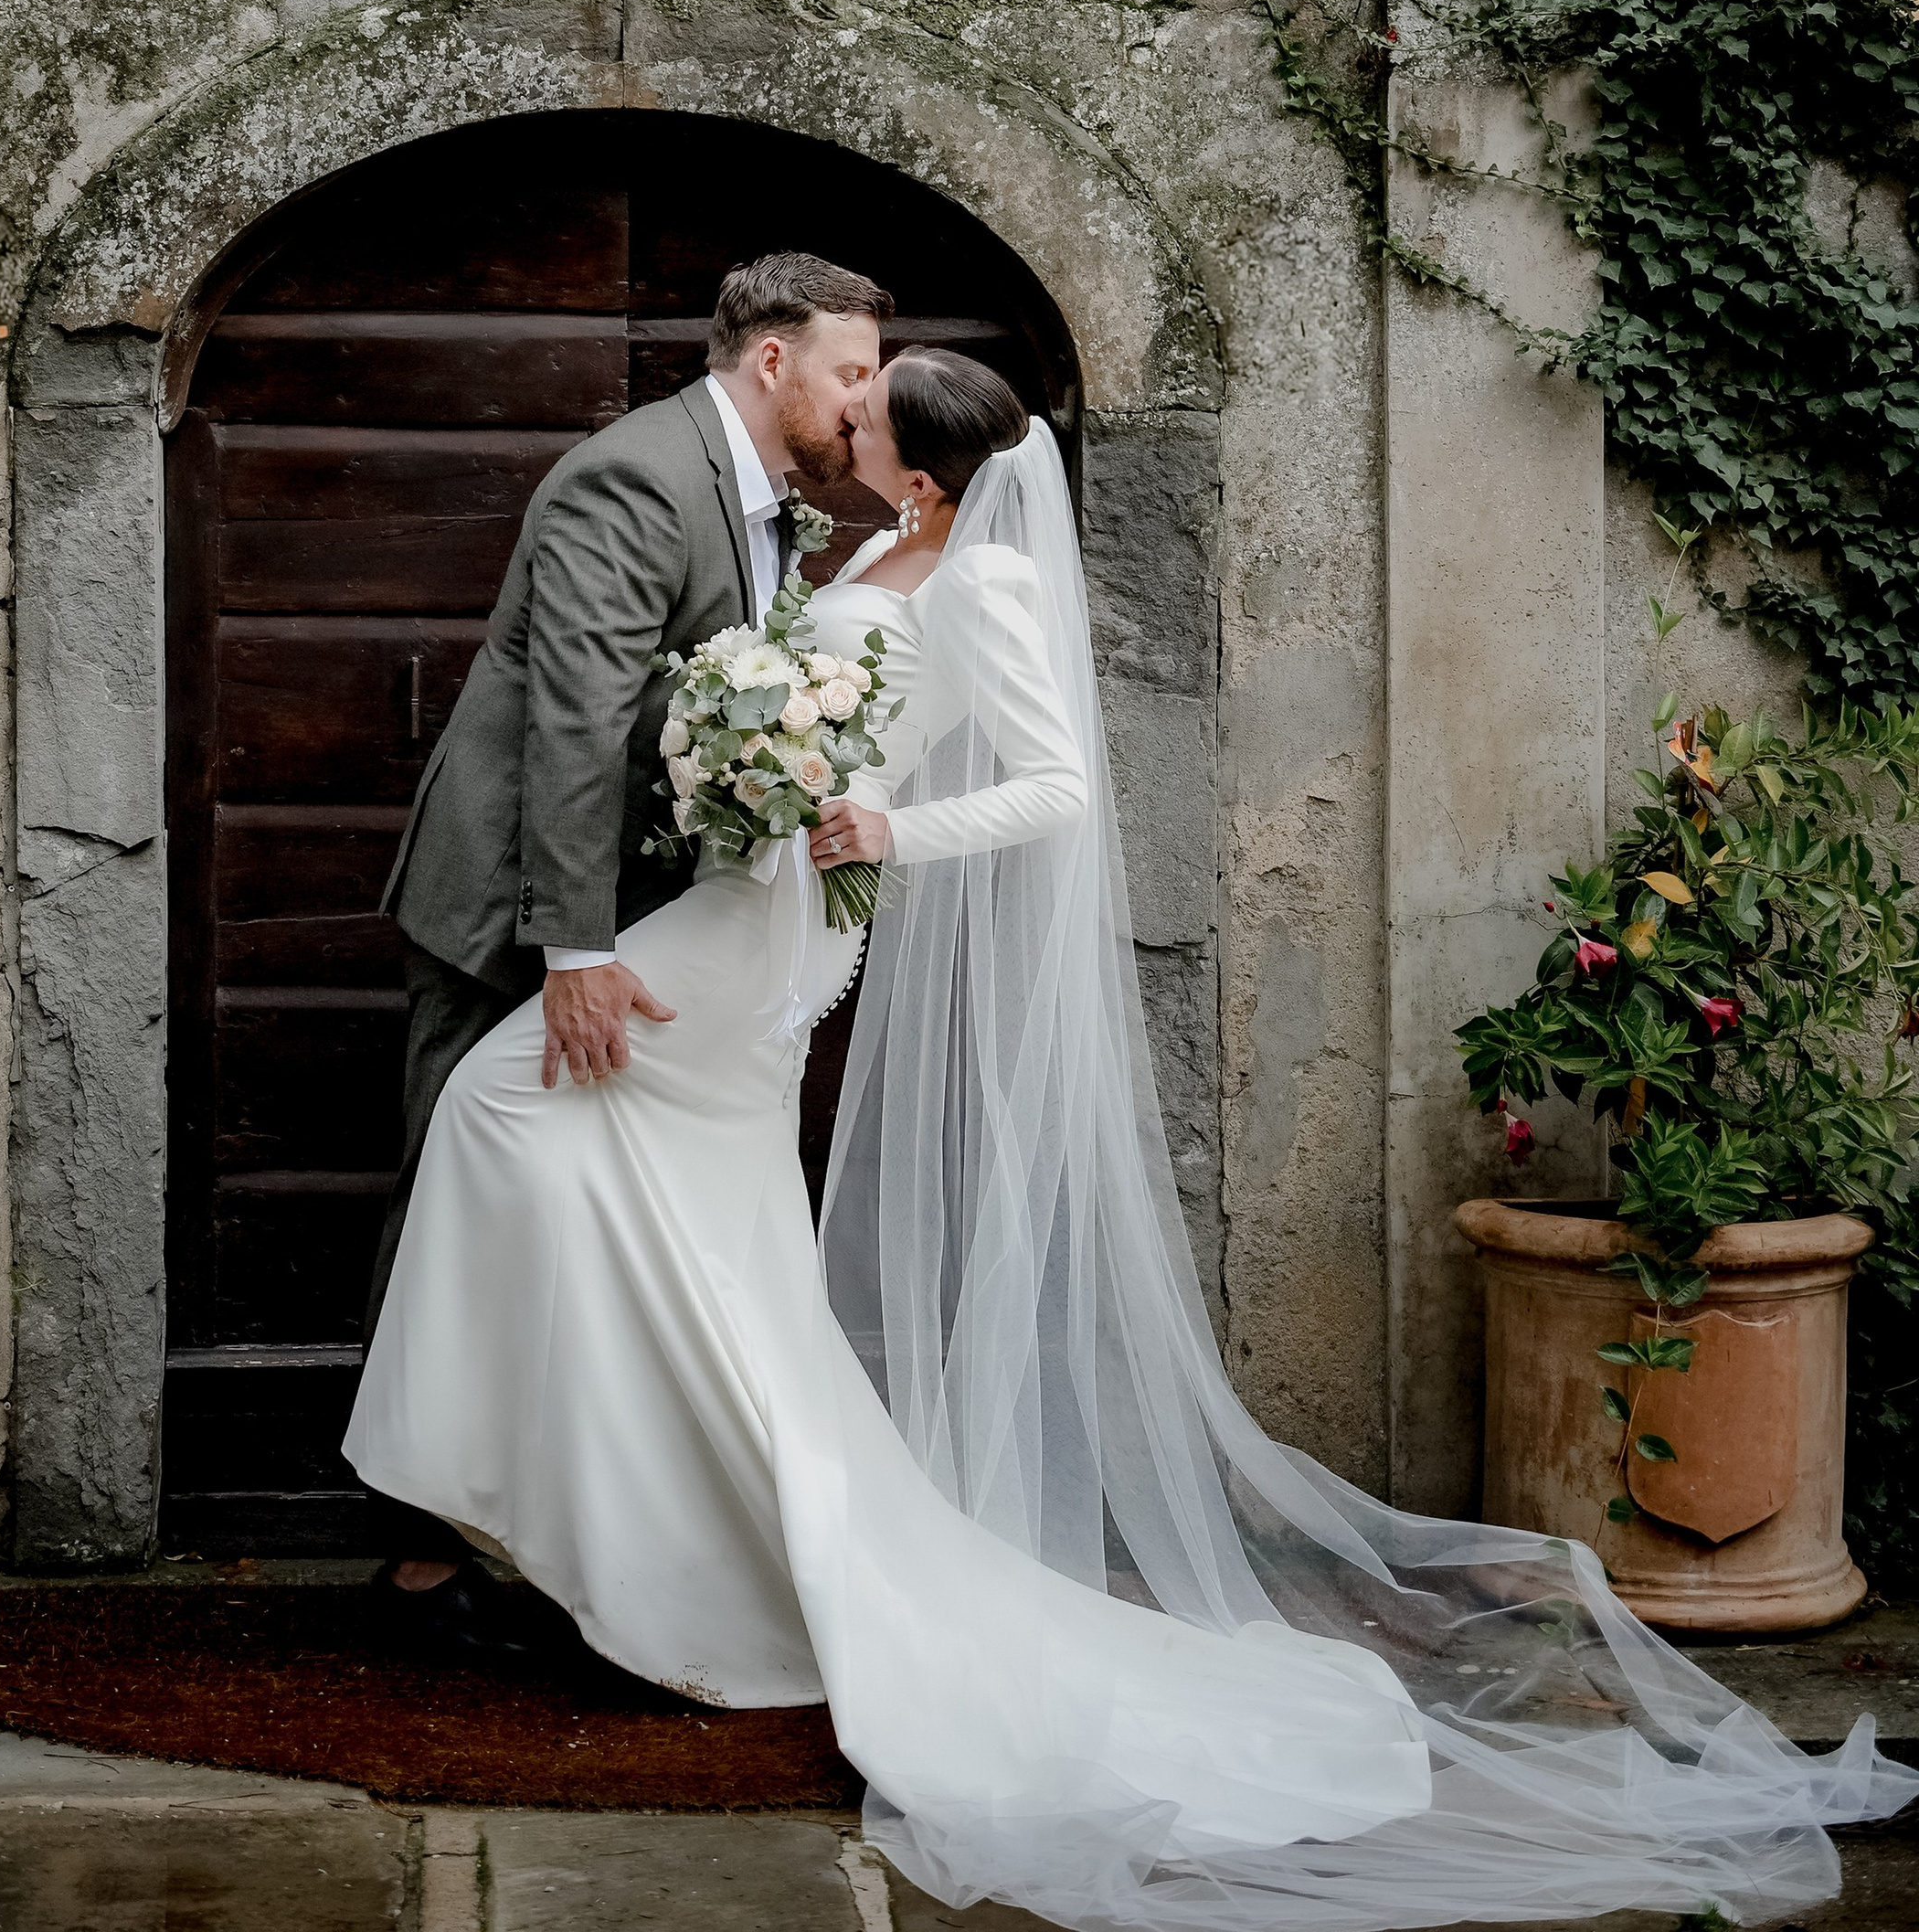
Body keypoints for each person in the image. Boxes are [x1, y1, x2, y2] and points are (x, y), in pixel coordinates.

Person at [350, 348, 1912, 1927]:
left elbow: (1049, 790)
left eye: (869, 398)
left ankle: (601, 1503)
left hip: (790, 930)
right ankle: (659, 1514)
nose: (848, 407)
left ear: (925, 460)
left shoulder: (988, 582)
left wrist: (887, 826)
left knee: (502, 1111)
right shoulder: (864, 548)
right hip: (742, 898)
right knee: (664, 1201)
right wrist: (739, 766)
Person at [360, 249, 890, 1658]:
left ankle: (549, 1528)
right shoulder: (638, 476)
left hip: (633, 920)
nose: (865, 401)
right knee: (459, 1188)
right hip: (512, 915)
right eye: (851, 372)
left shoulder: (779, 500)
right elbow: (579, 719)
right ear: (770, 360)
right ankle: (421, 1563)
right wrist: (575, 949)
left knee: (574, 1216)